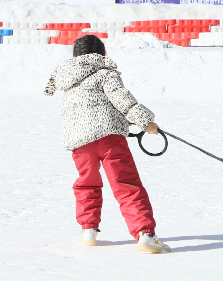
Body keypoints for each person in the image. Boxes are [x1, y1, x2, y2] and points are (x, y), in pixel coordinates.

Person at [44, 35, 170, 253]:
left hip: (79, 141)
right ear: (101, 53)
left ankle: (88, 230)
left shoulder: (65, 76)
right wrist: (146, 122)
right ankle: (145, 234)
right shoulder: (105, 73)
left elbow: (86, 103)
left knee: (87, 183)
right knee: (127, 185)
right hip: (109, 139)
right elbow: (122, 100)